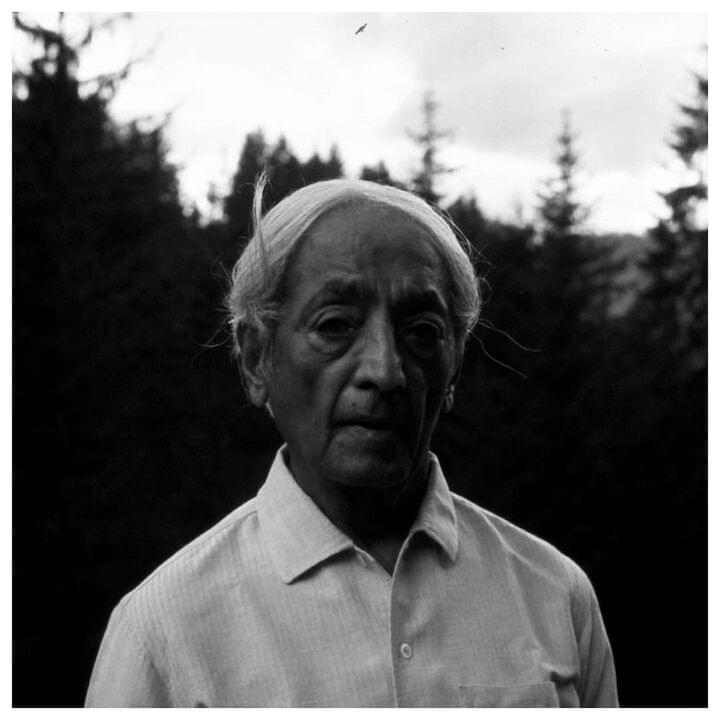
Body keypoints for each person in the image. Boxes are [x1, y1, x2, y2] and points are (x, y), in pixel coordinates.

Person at [85, 178, 618, 708]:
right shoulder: (165, 631)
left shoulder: (554, 595)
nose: (385, 371)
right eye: (336, 325)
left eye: (423, 331)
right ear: (256, 359)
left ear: (454, 367)